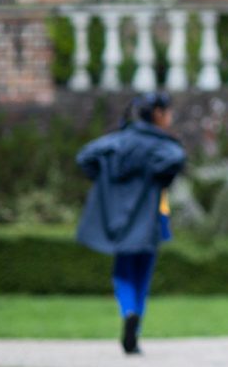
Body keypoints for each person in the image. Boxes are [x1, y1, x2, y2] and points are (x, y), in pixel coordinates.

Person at [76, 92, 187, 355]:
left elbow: (85, 157)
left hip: (118, 217)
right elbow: (176, 159)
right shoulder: (161, 145)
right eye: (169, 112)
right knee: (143, 272)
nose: (171, 118)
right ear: (158, 114)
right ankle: (135, 325)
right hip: (148, 217)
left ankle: (128, 313)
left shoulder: (117, 141)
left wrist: (106, 179)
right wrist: (156, 174)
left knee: (122, 270)